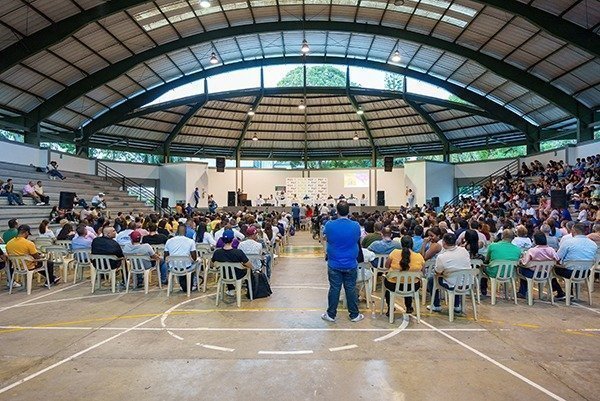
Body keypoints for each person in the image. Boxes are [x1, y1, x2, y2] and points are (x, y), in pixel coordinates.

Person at [321, 200, 363, 323]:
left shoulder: (329, 225)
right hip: (350, 262)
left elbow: (325, 237)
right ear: (348, 211)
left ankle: (331, 314)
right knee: (350, 288)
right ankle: (354, 315)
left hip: (334, 263)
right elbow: (357, 239)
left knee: (334, 288)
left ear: (337, 211)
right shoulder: (355, 226)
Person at [553, 223, 598, 300]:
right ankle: (569, 293)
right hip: (586, 272)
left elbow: (557, 257)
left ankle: (560, 292)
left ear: (573, 231)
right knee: (570, 267)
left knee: (551, 269)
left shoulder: (568, 242)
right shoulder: (593, 244)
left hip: (570, 272)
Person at [427, 233, 471, 313]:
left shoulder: (442, 257)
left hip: (452, 284)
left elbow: (437, 272)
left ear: (443, 242)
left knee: (431, 280)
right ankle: (457, 305)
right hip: (467, 282)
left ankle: (436, 305)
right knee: (457, 277)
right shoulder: (464, 251)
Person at [384, 236, 424, 316]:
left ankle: (390, 307)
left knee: (388, 288)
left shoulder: (394, 252)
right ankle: (409, 306)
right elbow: (422, 272)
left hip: (393, 285)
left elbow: (386, 266)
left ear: (401, 244)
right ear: (412, 244)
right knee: (408, 282)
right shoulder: (419, 256)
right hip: (413, 286)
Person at [517, 231, 559, 299]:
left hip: (532, 274)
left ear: (535, 240)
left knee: (521, 269)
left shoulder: (532, 250)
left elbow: (525, 263)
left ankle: (522, 292)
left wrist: (521, 260)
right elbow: (557, 258)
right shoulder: (551, 250)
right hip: (546, 274)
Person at [211, 229, 253, 296]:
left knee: (227, 270)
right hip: (238, 275)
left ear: (222, 240)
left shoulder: (217, 252)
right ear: (233, 239)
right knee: (248, 269)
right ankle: (250, 290)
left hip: (223, 275)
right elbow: (249, 265)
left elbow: (212, 264)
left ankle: (231, 289)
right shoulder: (238, 252)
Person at [481, 229, 522, 297]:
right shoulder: (517, 249)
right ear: (513, 238)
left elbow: (487, 260)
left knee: (482, 268)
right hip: (510, 273)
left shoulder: (493, 246)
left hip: (494, 272)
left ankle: (483, 290)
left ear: (502, 236)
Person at [164, 224, 199, 292]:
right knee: (198, 262)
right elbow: (194, 258)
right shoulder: (191, 241)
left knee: (178, 264)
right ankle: (194, 284)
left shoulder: (169, 241)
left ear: (177, 231)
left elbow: (165, 256)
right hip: (186, 267)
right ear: (186, 232)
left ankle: (182, 284)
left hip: (173, 267)